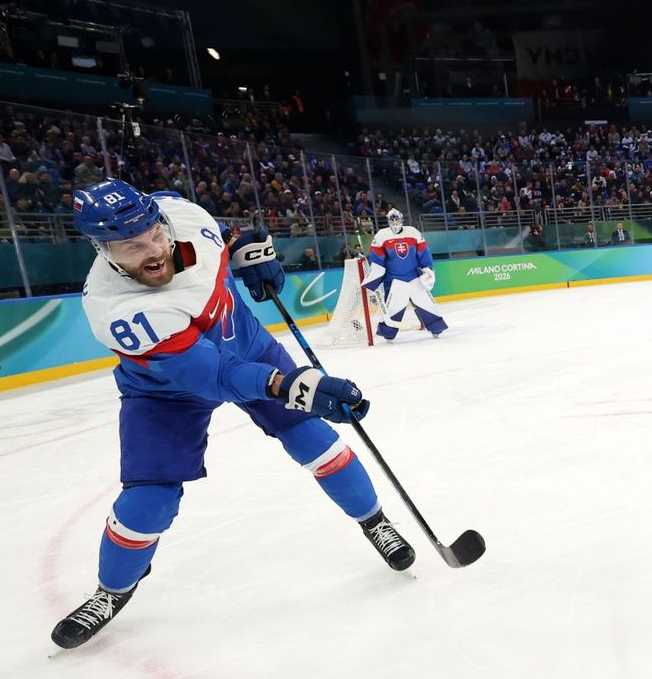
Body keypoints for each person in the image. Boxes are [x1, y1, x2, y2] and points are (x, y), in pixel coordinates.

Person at [53, 181, 414, 650]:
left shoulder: (184, 216)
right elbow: (215, 374)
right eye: (133, 248)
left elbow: (223, 236)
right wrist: (293, 386)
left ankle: (375, 521)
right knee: (151, 500)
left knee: (314, 440)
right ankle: (112, 591)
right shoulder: (115, 309)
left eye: (155, 235)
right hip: (166, 392)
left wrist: (247, 249)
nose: (154, 251)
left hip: (249, 346)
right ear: (104, 252)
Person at [365, 208, 447, 341]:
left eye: (397, 219)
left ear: (402, 220)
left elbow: (424, 251)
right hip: (394, 280)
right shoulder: (381, 235)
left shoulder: (413, 232)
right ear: (388, 221)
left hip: (414, 277)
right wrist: (374, 279)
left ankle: (436, 327)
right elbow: (377, 259)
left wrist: (427, 268)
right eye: (392, 220)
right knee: (393, 308)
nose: (395, 222)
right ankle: (388, 333)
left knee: (426, 303)